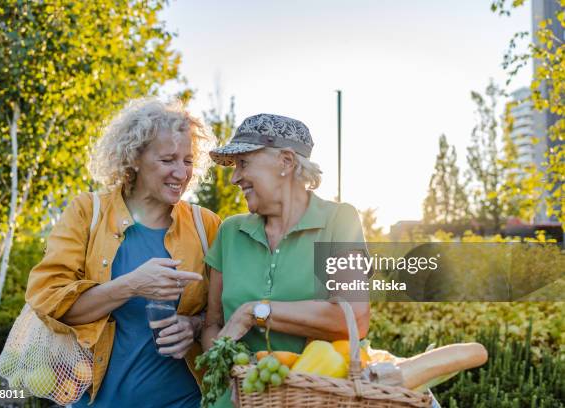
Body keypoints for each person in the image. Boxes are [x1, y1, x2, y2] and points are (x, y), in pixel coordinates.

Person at [25, 98, 220, 407]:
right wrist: (133, 285)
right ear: (135, 158)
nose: (182, 173)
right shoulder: (88, 211)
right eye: (169, 159)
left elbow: (222, 312)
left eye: (188, 160)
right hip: (96, 399)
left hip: (184, 398)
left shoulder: (206, 224)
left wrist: (194, 326)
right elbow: (50, 303)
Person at [201, 113, 370, 407]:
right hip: (235, 399)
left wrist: (255, 312)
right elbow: (211, 324)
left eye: (244, 163)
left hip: (308, 398)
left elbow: (352, 317)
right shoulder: (230, 231)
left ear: (286, 162)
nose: (235, 177)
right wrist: (224, 366)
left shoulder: (339, 221)